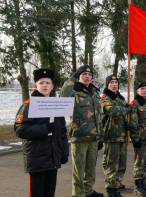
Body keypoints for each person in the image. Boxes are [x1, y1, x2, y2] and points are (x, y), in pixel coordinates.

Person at [14, 68, 69, 197]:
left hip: (53, 157)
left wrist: (64, 153)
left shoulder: (57, 105)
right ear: (35, 86)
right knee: (37, 194)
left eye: (47, 83)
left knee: (50, 192)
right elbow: (20, 129)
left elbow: (62, 131)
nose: (45, 85)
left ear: (52, 86)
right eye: (41, 83)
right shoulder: (29, 105)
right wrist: (45, 128)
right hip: (37, 158)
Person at [60, 65, 104, 197]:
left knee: (90, 169)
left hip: (94, 137)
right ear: (78, 76)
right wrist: (72, 78)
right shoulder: (73, 92)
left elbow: (99, 116)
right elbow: (63, 96)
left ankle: (88, 191)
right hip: (79, 137)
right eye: (84, 74)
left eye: (89, 75)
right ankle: (79, 194)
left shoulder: (94, 92)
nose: (87, 77)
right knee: (78, 170)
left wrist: (100, 135)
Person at [101, 75, 133, 197]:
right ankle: (111, 188)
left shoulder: (120, 98)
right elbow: (113, 111)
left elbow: (126, 111)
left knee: (121, 164)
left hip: (122, 136)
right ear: (107, 84)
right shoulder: (105, 98)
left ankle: (117, 183)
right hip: (111, 136)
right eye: (111, 82)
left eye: (116, 82)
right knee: (111, 164)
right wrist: (127, 110)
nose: (114, 84)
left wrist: (128, 123)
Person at [129, 82, 146, 196]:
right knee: (139, 164)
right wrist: (135, 139)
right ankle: (138, 186)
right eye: (142, 89)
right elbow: (133, 123)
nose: (144, 91)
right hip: (140, 139)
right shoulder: (135, 104)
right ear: (137, 91)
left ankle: (143, 183)